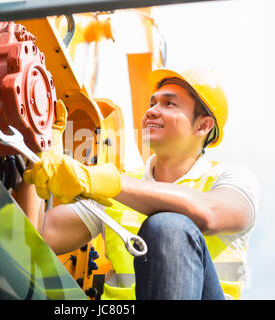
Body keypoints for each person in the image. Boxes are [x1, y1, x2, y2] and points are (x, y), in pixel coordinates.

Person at [20, 69, 260, 300]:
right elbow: (34, 238)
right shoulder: (121, 187)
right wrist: (37, 149)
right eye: (152, 103)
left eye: (169, 104)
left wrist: (111, 183)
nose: (152, 111)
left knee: (169, 226)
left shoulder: (230, 179)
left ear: (203, 125)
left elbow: (209, 213)